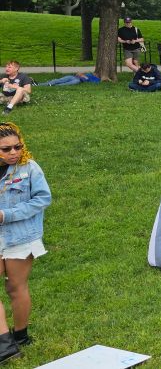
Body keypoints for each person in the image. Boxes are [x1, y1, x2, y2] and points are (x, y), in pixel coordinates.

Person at [0, 122, 52, 359]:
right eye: (6, 149)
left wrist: (7, 215)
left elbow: (42, 199)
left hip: (20, 237)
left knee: (15, 287)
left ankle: (20, 335)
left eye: (16, 147)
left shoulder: (29, 168)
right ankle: (6, 346)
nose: (13, 153)